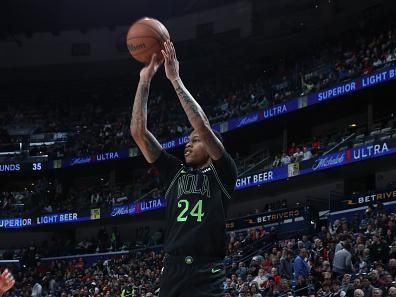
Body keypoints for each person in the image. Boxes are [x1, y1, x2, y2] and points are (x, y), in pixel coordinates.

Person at [130, 40, 238, 297]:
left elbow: (201, 125)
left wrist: (174, 79)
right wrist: (144, 81)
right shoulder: (174, 171)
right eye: (187, 142)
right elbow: (138, 132)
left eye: (195, 141)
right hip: (173, 269)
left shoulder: (223, 172)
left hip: (207, 271)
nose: (187, 146)